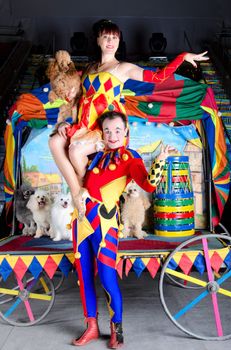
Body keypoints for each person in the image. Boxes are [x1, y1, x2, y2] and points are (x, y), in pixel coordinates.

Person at [48, 19, 209, 214]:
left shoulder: (123, 68)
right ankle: (77, 191)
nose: (110, 41)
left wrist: (182, 57)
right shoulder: (90, 68)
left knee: (75, 151)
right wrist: (66, 122)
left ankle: (87, 193)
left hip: (105, 129)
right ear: (97, 40)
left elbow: (157, 78)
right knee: (55, 142)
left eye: (114, 37)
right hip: (83, 124)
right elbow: (78, 99)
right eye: (105, 36)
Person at [71, 111, 175, 348]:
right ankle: (91, 327)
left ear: (126, 131)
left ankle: (116, 327)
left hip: (104, 224)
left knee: (107, 276)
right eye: (107, 130)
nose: (112, 135)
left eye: (118, 130)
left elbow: (148, 183)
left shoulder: (130, 157)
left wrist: (161, 160)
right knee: (84, 276)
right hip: (80, 222)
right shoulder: (96, 154)